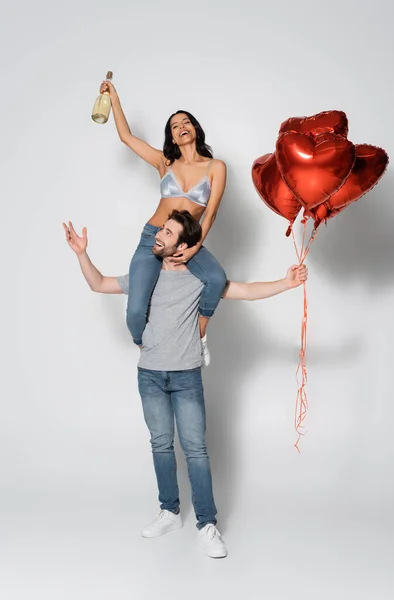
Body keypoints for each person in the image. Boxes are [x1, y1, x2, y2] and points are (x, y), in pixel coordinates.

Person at [63, 211, 308, 558]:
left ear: (183, 247)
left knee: (195, 450)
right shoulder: (144, 276)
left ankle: (207, 524)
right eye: (162, 229)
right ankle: (170, 511)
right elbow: (99, 283)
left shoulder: (199, 279)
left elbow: (246, 291)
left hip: (186, 376)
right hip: (149, 375)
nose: (159, 236)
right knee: (161, 444)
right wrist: (81, 253)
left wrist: (286, 283)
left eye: (167, 233)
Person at [100, 79, 228, 366]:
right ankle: (146, 348)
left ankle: (200, 336)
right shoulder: (164, 163)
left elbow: (212, 212)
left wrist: (195, 248)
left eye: (186, 122)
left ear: (194, 128)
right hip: (154, 237)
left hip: (186, 241)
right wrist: (115, 98)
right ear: (171, 136)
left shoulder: (215, 167)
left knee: (216, 279)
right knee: (135, 312)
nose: (181, 126)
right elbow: (126, 137)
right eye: (174, 125)